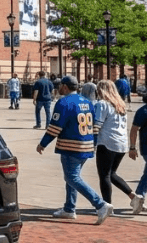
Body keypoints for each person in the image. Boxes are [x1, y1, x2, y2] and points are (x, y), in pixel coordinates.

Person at [36, 75, 113, 224]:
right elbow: (93, 127)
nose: (58, 88)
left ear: (65, 86)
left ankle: (100, 204)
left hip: (71, 146)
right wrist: (94, 144)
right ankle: (69, 208)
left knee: (72, 177)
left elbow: (55, 127)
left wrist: (43, 143)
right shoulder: (87, 102)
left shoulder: (63, 102)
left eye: (60, 85)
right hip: (86, 145)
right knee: (72, 176)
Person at [93, 80, 140, 212]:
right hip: (121, 143)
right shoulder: (121, 105)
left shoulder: (102, 104)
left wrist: (92, 144)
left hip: (106, 143)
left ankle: (107, 205)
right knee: (111, 173)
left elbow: (97, 125)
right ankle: (133, 196)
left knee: (104, 175)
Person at [126, 93, 147, 215]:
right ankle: (138, 198)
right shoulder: (143, 111)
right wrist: (132, 147)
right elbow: (134, 129)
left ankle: (137, 198)